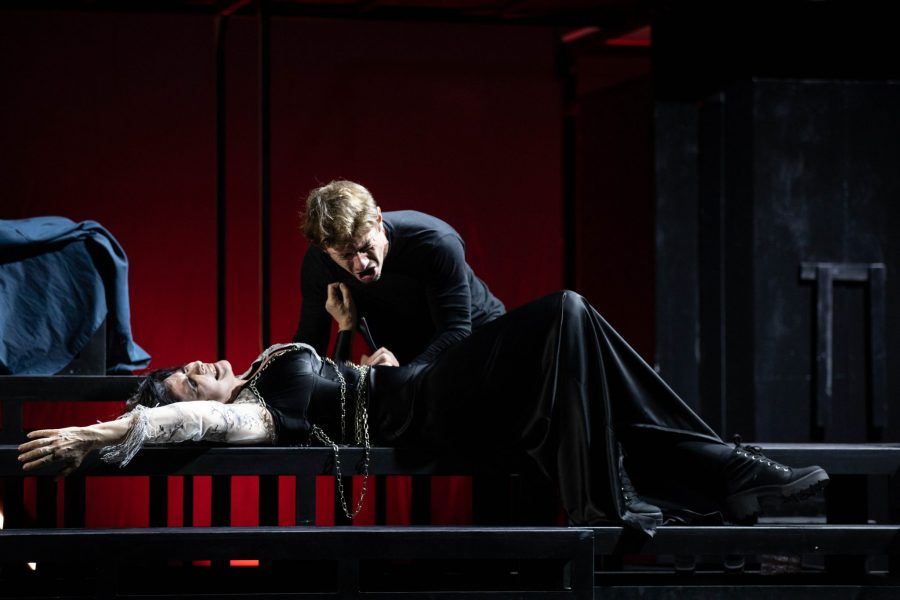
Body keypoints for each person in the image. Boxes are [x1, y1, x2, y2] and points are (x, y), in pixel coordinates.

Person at [19, 290, 829, 535]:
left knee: (583, 338)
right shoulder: (253, 412)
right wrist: (105, 432)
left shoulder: (269, 368)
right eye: (185, 380)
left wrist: (357, 346)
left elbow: (333, 382)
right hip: (431, 407)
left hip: (429, 384)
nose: (197, 370)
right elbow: (186, 426)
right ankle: (728, 469)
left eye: (188, 367)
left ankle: (727, 472)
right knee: (568, 314)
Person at [293, 180, 506, 366]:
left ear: (378, 220)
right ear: (325, 249)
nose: (362, 263)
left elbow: (456, 329)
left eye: (366, 246)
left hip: (479, 339)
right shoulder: (318, 264)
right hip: (409, 352)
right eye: (346, 255)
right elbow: (309, 345)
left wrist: (402, 377)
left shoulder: (435, 242)